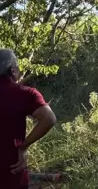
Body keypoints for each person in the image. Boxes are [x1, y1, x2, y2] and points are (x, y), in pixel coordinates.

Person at [0, 49, 56, 189]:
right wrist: (23, 147)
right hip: (11, 174)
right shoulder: (24, 94)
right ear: (13, 70)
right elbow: (48, 118)